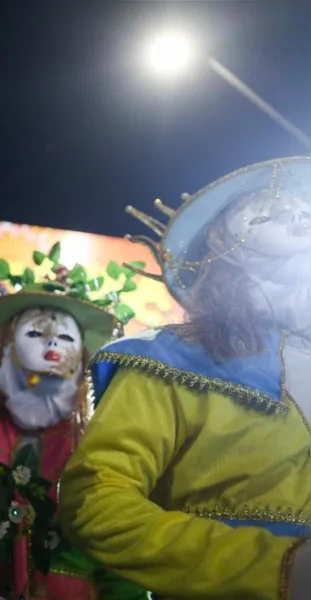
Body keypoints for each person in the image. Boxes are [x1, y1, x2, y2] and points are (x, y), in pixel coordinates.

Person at [59, 157, 311, 599]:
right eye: (267, 207)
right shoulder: (170, 357)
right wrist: (278, 568)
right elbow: (97, 502)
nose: (298, 214)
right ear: (223, 239)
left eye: (303, 206)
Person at [0, 245, 147, 599]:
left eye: (66, 337)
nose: (52, 342)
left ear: (81, 361)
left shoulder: (104, 453)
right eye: (34, 334)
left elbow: (124, 572)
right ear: (4, 349)